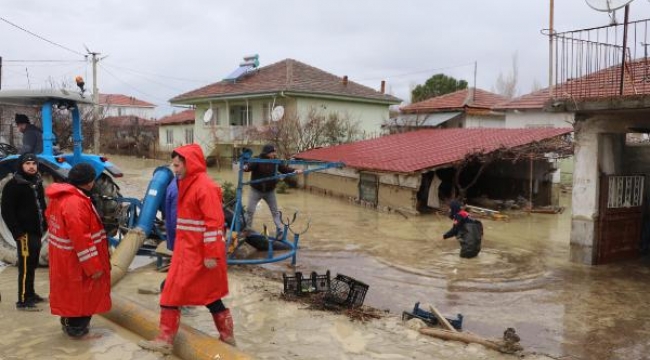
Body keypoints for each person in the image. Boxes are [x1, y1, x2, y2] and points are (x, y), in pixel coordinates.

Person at [139, 144, 235, 355]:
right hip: (189, 251)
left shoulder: (203, 187)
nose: (175, 169)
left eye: (177, 165)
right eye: (173, 165)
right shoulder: (187, 184)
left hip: (198, 254)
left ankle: (165, 340)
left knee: (171, 294)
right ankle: (227, 338)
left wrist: (211, 254)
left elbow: (214, 222)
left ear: (189, 164)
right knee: (210, 296)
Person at [45, 162, 111, 338]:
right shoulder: (75, 203)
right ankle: (77, 335)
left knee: (69, 296)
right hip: (77, 263)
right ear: (89, 182)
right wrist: (94, 268)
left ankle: (69, 326)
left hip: (64, 259)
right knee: (82, 300)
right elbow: (82, 241)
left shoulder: (59, 197)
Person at [1, 153, 48, 311]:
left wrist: (46, 225)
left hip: (37, 232)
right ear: (21, 165)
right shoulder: (13, 185)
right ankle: (22, 300)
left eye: (34, 163)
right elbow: (7, 212)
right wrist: (17, 233)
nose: (31, 166)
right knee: (26, 266)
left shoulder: (37, 182)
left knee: (33, 264)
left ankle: (31, 293)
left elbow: (42, 206)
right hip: (24, 235)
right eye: (27, 163)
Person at [243, 144, 302, 238]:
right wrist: (245, 167)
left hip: (269, 191)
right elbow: (248, 167)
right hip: (256, 190)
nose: (275, 153)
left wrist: (295, 170)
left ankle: (280, 231)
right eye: (273, 152)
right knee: (250, 210)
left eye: (275, 152)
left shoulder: (275, 161)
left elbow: (284, 169)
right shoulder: (257, 160)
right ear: (267, 153)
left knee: (275, 212)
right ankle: (246, 230)